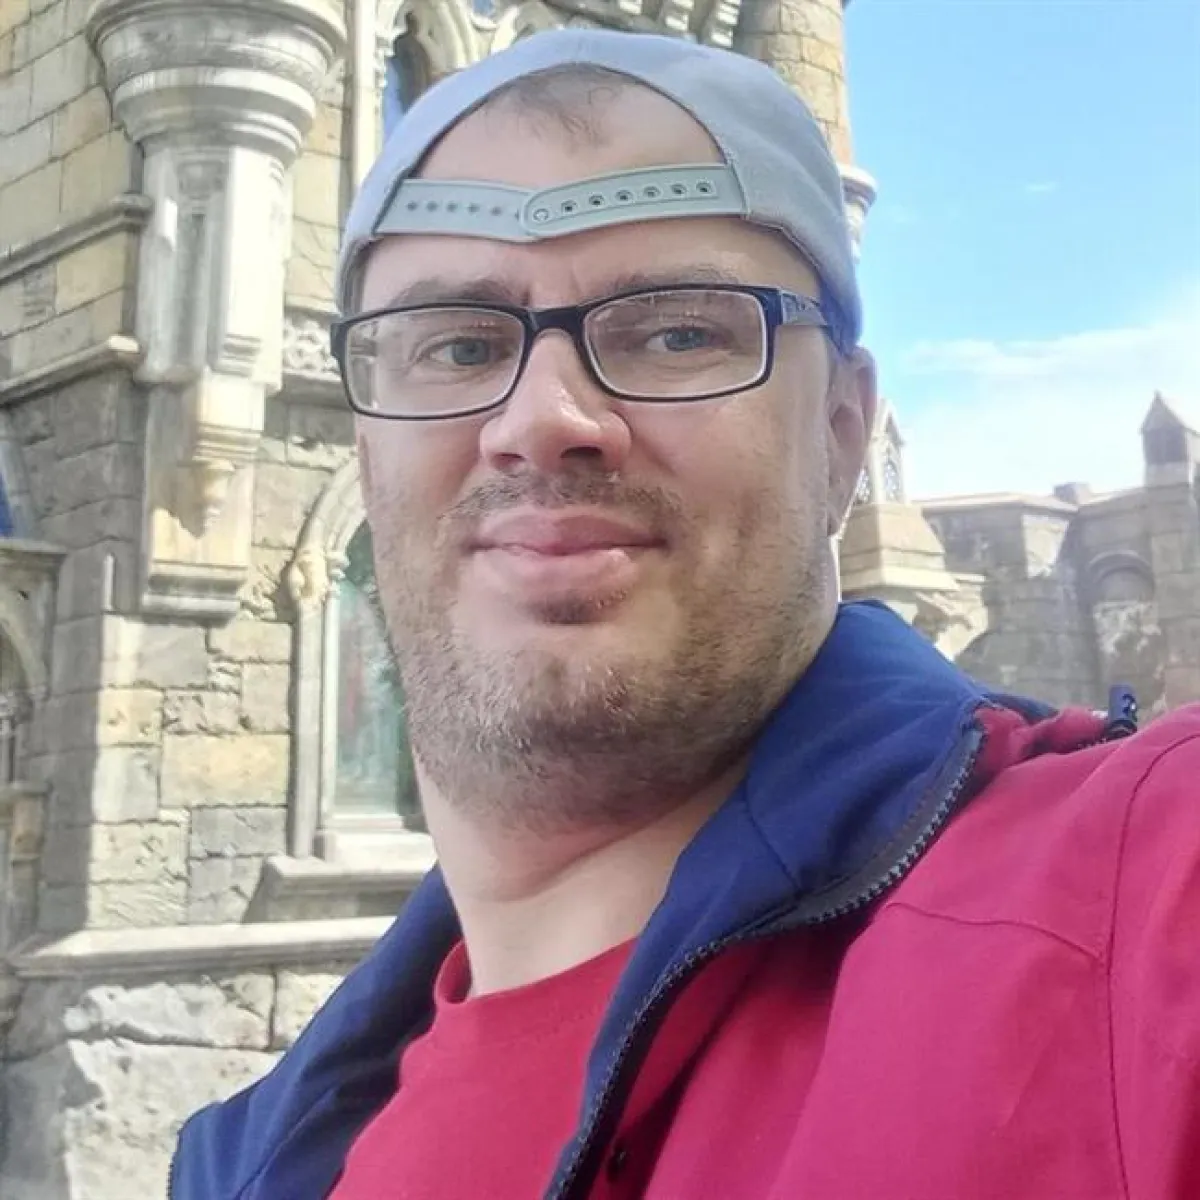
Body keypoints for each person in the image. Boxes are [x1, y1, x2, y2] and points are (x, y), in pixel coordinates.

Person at [170, 28, 1200, 1200]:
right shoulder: (256, 1157)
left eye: (676, 332)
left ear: (842, 434)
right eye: (456, 344)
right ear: (368, 444)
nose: (542, 418)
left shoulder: (1129, 911)